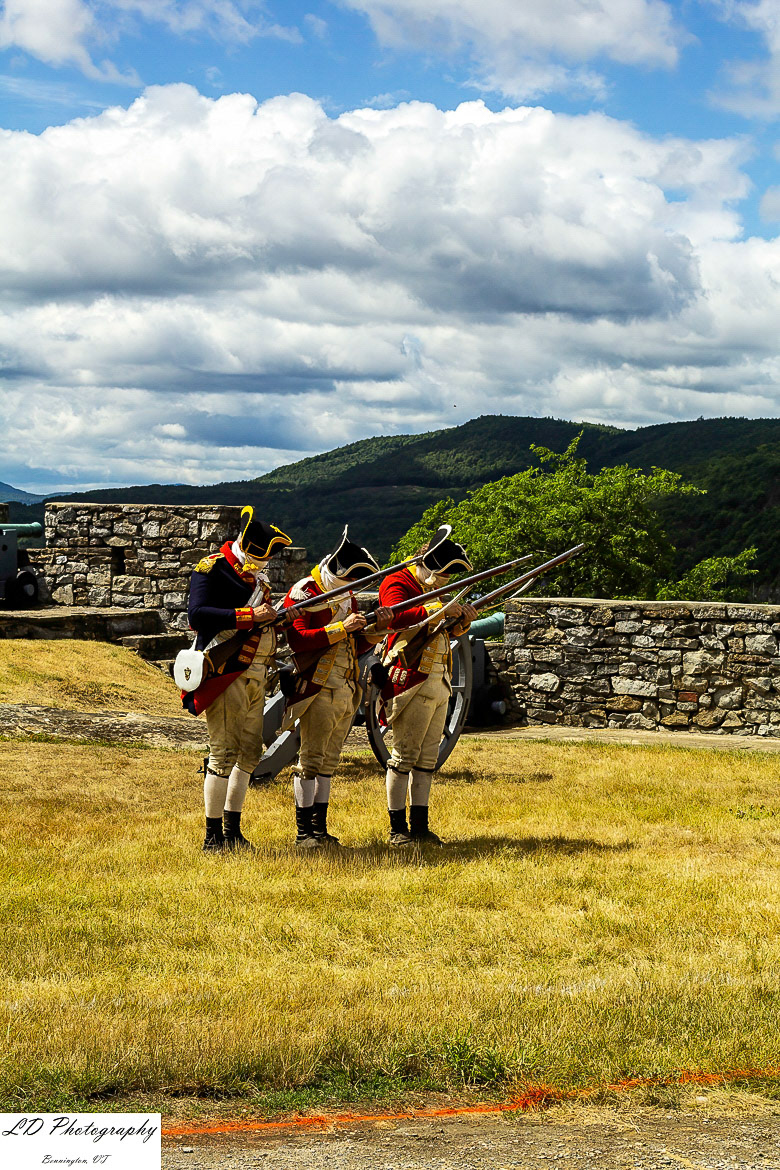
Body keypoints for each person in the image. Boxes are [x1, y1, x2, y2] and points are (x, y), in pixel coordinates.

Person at [185, 506, 292, 852]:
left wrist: (272, 621)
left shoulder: (258, 580)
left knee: (248, 753)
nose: (263, 566)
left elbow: (261, 620)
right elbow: (198, 615)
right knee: (224, 753)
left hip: (256, 673)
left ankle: (232, 830)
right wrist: (250, 614)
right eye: (260, 558)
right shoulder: (212, 568)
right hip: (227, 672)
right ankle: (212, 835)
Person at [282, 527, 392, 848]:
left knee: (329, 761)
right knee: (311, 760)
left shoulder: (347, 594)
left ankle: (320, 829)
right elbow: (297, 640)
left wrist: (377, 630)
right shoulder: (305, 592)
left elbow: (355, 647)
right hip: (317, 686)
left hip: (346, 687)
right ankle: (304, 833)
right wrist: (342, 626)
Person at [377, 532, 477, 846]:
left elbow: (443, 633)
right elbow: (395, 619)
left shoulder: (436, 590)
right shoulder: (398, 583)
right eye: (442, 573)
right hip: (410, 679)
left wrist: (463, 621)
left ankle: (420, 826)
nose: (444, 581)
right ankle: (397, 829)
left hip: (440, 679)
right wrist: (438, 610)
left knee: (427, 758)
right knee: (404, 755)